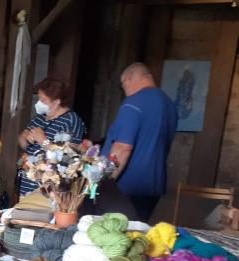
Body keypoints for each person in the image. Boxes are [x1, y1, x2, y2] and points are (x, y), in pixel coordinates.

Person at [102, 62, 177, 222]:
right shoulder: (169, 104)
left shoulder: (134, 102)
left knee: (112, 232)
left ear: (128, 79)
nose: (124, 91)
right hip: (153, 185)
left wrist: (104, 181)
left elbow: (122, 148)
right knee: (136, 230)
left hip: (127, 185)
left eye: (123, 85)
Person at [17, 77, 87, 197]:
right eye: (39, 98)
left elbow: (70, 158)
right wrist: (24, 136)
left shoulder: (71, 121)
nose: (38, 103)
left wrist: (43, 141)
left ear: (56, 102)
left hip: (50, 189)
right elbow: (23, 144)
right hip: (27, 183)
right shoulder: (40, 117)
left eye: (43, 100)